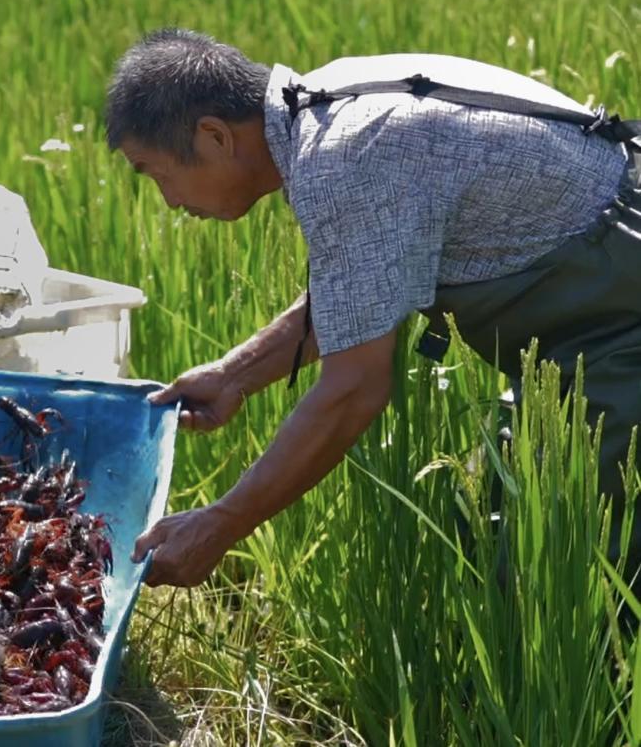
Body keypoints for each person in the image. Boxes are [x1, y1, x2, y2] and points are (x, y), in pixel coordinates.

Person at [106, 29, 641, 587]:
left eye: (159, 174)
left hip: (621, 329)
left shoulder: (343, 159)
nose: (170, 200)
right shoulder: (323, 102)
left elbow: (354, 389)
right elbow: (363, 284)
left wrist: (220, 524)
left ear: (215, 136)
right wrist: (234, 376)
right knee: (484, 528)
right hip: (595, 321)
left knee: (552, 583)